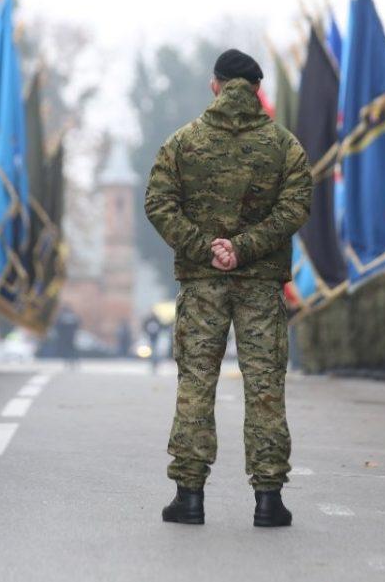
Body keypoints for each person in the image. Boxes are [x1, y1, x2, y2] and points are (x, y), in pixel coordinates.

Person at [144, 48, 312, 528]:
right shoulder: (285, 146)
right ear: (257, 90)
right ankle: (268, 500)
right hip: (260, 284)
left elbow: (158, 202)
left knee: (197, 383)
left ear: (215, 85)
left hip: (202, 285)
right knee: (264, 388)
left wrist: (205, 248)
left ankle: (189, 496)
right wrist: (245, 248)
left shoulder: (183, 142)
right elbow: (295, 207)